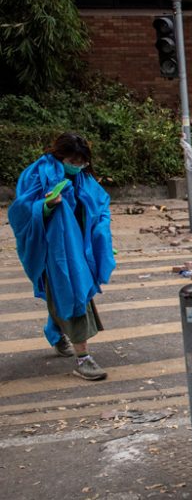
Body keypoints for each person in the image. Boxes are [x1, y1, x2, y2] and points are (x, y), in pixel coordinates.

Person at [9, 132, 116, 380]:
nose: (78, 166)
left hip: (80, 247)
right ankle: (83, 359)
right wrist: (45, 207)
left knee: (62, 294)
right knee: (74, 294)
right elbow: (20, 213)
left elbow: (99, 208)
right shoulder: (38, 175)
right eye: (73, 161)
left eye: (82, 162)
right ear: (60, 155)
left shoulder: (83, 179)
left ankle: (55, 332)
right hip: (53, 250)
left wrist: (101, 241)